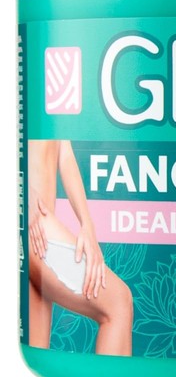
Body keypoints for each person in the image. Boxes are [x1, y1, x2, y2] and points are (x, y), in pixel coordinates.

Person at [28, 140, 133, 356]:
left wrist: (87, 225)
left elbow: (65, 154)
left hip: (37, 226)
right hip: (33, 223)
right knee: (118, 303)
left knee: (36, 353)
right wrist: (19, 189)